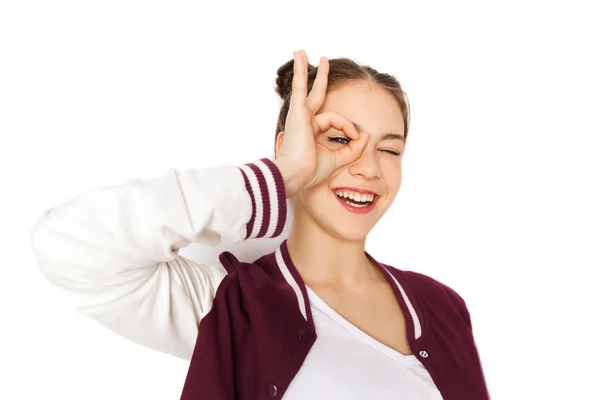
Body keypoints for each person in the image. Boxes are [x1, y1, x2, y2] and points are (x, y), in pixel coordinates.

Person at [30, 50, 490, 399]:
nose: (368, 168)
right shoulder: (228, 302)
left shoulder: (443, 306)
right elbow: (67, 244)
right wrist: (281, 176)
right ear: (291, 146)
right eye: (339, 140)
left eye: (389, 149)